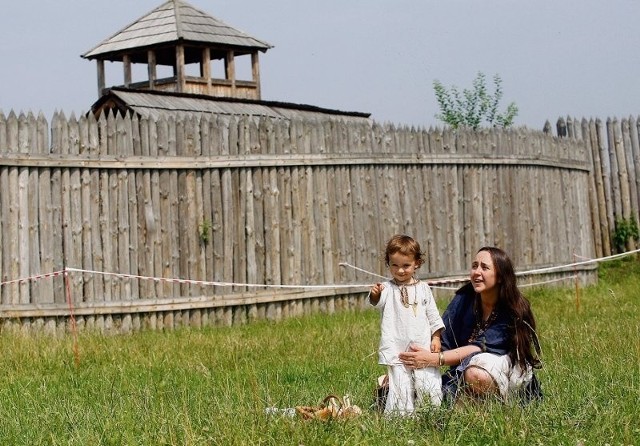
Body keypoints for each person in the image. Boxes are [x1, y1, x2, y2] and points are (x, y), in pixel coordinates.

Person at [398, 246, 542, 404]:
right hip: (465, 370)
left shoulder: (512, 309)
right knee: (403, 387)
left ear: (500, 276)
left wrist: (433, 359)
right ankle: (470, 402)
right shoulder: (464, 298)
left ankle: (499, 405)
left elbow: (478, 348)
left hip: (509, 371)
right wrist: (412, 364)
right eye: (474, 266)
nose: (477, 272)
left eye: (484, 267)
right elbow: (443, 337)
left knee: (475, 374)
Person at [369, 235, 445, 415]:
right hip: (398, 348)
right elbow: (375, 302)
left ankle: (430, 412)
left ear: (416, 263)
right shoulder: (387, 289)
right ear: (388, 263)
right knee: (399, 383)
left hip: (421, 346)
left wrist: (436, 337)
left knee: (428, 380)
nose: (400, 270)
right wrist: (375, 294)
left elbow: (433, 316)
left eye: (406, 266)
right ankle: (400, 417)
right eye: (395, 265)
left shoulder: (423, 288)